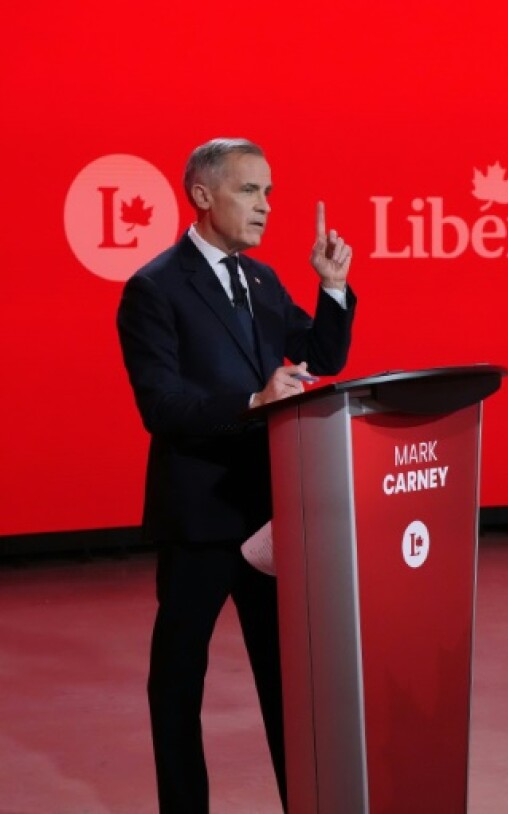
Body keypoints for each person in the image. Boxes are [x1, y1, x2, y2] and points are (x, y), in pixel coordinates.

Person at [116, 137, 356, 812]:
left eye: (270, 192)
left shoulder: (262, 280)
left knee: (288, 685)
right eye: (250, 191)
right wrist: (255, 402)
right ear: (201, 195)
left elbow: (322, 353)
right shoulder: (154, 288)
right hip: (199, 518)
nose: (266, 206)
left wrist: (331, 285)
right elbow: (159, 406)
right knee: (177, 685)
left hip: (268, 518)